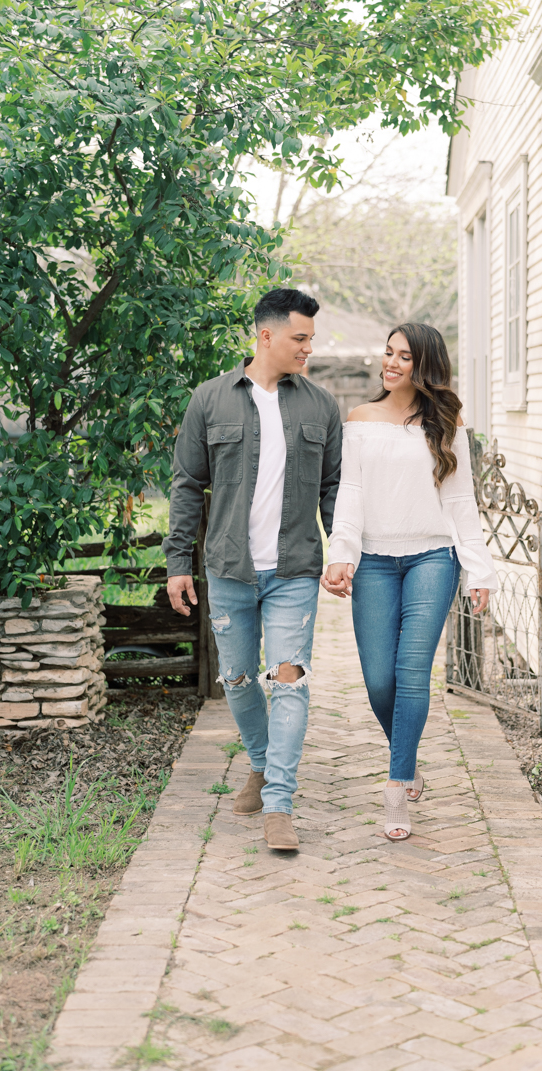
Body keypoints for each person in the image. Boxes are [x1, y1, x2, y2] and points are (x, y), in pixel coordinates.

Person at [164, 287, 342, 851]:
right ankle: (262, 764)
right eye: (300, 338)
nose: (308, 349)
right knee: (239, 681)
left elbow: (335, 489)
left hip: (294, 571)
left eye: (310, 338)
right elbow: (187, 484)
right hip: (230, 570)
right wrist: (176, 564)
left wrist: (343, 553)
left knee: (288, 684)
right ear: (266, 335)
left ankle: (279, 805)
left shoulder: (321, 406)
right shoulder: (209, 400)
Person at [322, 322, 498, 840]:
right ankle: (410, 759)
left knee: (412, 671)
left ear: (425, 366)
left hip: (432, 559)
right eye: (388, 353)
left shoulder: (446, 424)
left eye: (404, 356)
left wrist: (479, 570)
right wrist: (342, 555)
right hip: (374, 561)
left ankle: (396, 787)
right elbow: (349, 494)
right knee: (380, 681)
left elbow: (462, 502)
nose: (391, 363)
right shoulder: (360, 419)